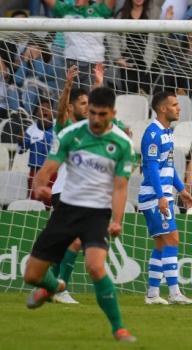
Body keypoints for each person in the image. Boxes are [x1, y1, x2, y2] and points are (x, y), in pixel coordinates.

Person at [23, 86, 137, 342]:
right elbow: (48, 167)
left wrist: (117, 220)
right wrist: (40, 184)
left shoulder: (122, 144)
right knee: (31, 275)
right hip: (66, 209)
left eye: (102, 114)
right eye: (92, 113)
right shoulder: (71, 134)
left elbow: (120, 187)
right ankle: (54, 286)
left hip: (97, 213)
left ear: (113, 113)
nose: (96, 119)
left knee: (96, 267)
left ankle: (119, 329)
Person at [138, 92, 192, 305]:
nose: (178, 108)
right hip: (155, 196)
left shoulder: (167, 132)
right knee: (172, 239)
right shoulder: (153, 134)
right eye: (174, 104)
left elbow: (167, 166)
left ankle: (153, 294)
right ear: (163, 109)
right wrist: (161, 196)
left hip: (162, 194)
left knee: (162, 245)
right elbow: (150, 167)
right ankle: (174, 292)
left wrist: (181, 190)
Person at [32, 0, 122, 89]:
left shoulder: (99, 10)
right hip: (71, 64)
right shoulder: (65, 10)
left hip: (93, 66)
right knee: (65, 99)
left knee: (91, 101)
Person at [109, 0, 174, 94]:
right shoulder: (122, 14)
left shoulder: (153, 7)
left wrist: (167, 21)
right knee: (129, 99)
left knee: (143, 98)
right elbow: (113, 36)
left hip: (148, 65)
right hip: (128, 65)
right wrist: (117, 58)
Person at [19, 98, 54, 203]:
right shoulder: (30, 130)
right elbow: (21, 150)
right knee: (34, 202)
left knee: (53, 202)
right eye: (41, 108)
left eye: (48, 108)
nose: (45, 110)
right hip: (35, 172)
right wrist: (20, 141)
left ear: (53, 112)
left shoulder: (58, 127)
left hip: (53, 171)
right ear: (37, 113)